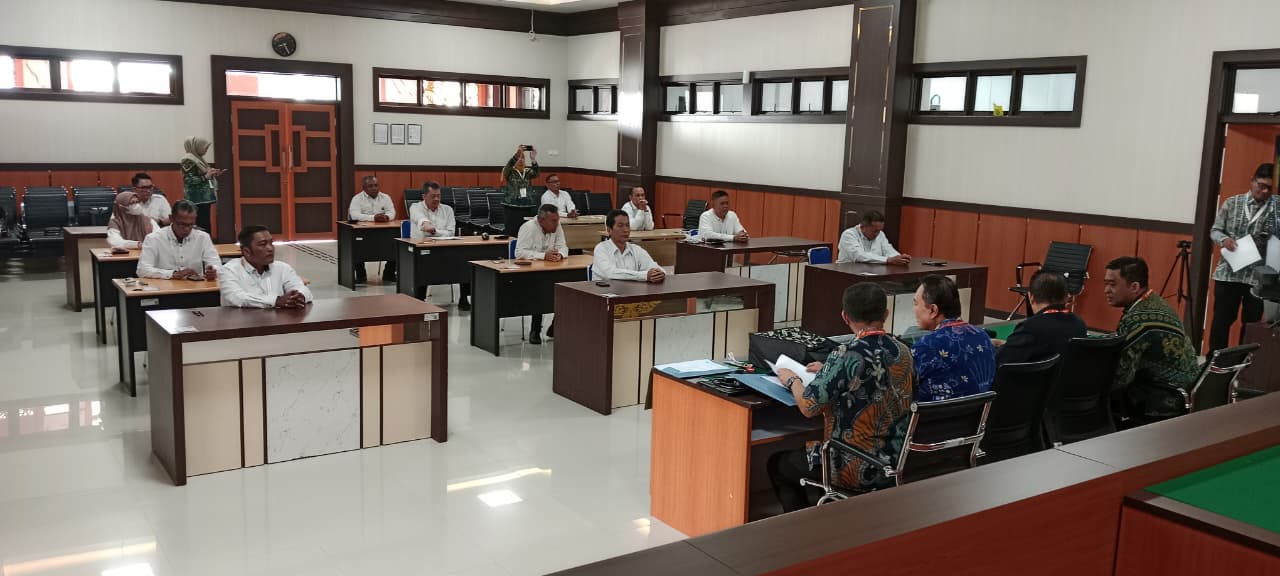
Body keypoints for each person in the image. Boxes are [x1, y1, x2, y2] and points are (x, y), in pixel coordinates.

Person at [769, 283, 914, 511]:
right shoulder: (904, 351)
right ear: (886, 314)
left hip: (851, 464)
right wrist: (829, 370)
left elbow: (808, 407)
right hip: (895, 460)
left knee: (778, 463)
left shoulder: (845, 354)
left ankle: (804, 523)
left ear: (845, 316)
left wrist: (793, 380)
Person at [1103, 256, 1199, 421]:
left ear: (1134, 287)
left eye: (1112, 284)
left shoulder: (1138, 320)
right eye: (1106, 284)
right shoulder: (1157, 303)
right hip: (1188, 392)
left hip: (1163, 399)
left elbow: (1120, 377)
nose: (1106, 290)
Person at [1208, 163, 1275, 352]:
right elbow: (1215, 230)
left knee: (1251, 325)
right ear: (1252, 181)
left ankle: (1245, 363)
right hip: (1228, 274)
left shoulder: (1275, 209)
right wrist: (1224, 240)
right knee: (1221, 320)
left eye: (1269, 188)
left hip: (1257, 278)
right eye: (1261, 185)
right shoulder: (1232, 203)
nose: (1264, 191)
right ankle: (1215, 361)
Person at [910, 275, 995, 402]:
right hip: (979, 414)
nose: (914, 309)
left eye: (916, 303)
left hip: (933, 414)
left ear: (933, 310)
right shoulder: (983, 337)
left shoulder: (925, 347)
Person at [994, 270, 1087, 366]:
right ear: (1066, 298)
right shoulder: (1080, 325)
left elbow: (1000, 361)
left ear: (1031, 297)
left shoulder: (1030, 328)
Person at [409, 182, 470, 310]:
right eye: (433, 196)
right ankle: (420, 300)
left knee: (465, 260)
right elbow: (421, 221)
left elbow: (451, 232)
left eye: (438, 196)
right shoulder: (415, 207)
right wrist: (428, 226)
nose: (436, 199)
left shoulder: (447, 210)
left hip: (445, 247)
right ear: (424, 196)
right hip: (422, 250)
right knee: (423, 264)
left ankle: (464, 298)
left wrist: (434, 231)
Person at [220, 225, 313, 309]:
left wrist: (299, 296)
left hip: (278, 320)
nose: (270, 248)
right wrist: (276, 301)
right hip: (243, 321)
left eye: (271, 243)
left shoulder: (282, 268)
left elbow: (304, 290)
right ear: (247, 251)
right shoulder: (229, 270)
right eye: (263, 244)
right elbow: (236, 297)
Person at [515, 204, 568, 344]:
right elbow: (519, 253)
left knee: (566, 288)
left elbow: (563, 246)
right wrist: (543, 256)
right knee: (539, 291)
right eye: (553, 221)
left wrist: (560, 255)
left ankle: (555, 327)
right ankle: (535, 330)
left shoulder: (557, 226)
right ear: (541, 220)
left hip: (553, 269)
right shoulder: (528, 228)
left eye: (557, 220)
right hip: (531, 273)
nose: (557, 223)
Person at [137, 200, 220, 280]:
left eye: (191, 224)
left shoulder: (203, 237)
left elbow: (215, 263)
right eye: (182, 224)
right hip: (164, 287)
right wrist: (172, 274)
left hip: (196, 287)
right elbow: (142, 270)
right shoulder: (153, 238)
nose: (187, 229)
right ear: (171, 218)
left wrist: (213, 271)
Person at [348, 175, 397, 284]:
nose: (374, 188)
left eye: (376, 185)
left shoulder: (385, 197)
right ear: (364, 188)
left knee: (396, 244)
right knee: (357, 246)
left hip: (383, 231)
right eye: (370, 186)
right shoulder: (357, 199)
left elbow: (392, 212)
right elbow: (354, 215)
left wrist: (386, 217)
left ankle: (389, 274)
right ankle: (361, 275)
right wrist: (373, 218)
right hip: (363, 231)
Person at [592, 210, 664, 283]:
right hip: (606, 289)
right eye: (620, 226)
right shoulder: (601, 249)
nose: (626, 230)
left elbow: (655, 267)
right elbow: (610, 273)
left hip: (631, 289)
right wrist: (644, 275)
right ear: (609, 230)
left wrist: (659, 273)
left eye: (627, 225)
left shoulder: (636, 249)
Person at [180, 136, 222, 232]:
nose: (206, 150)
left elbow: (202, 173)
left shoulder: (198, 158)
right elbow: (189, 179)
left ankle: (206, 240)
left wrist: (212, 172)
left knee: (205, 223)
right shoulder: (188, 160)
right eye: (204, 147)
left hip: (203, 197)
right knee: (201, 224)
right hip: (196, 198)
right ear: (197, 146)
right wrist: (206, 176)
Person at [837, 210, 910, 265]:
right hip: (847, 273)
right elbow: (859, 256)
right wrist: (888, 260)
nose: (877, 234)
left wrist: (900, 258)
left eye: (879, 230)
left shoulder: (880, 234)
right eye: (875, 231)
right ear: (863, 226)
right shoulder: (849, 234)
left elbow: (888, 250)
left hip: (871, 272)